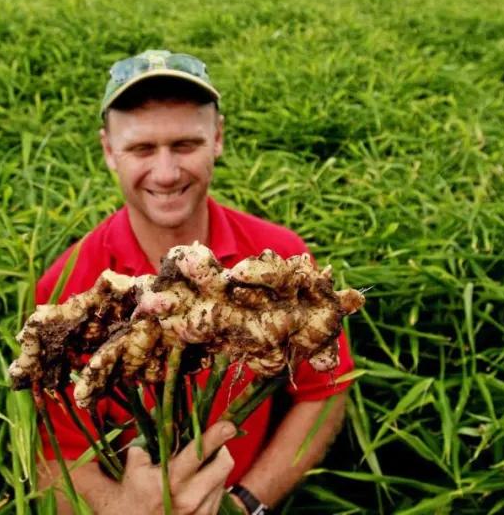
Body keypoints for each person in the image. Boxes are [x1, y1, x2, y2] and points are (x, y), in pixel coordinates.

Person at [34, 50, 354, 515]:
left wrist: (245, 504)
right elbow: (54, 455)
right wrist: (121, 506)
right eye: (142, 149)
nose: (165, 173)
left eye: (185, 145)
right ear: (108, 151)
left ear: (218, 139)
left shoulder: (279, 258)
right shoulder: (67, 285)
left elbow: (324, 392)